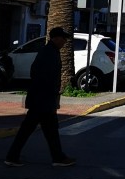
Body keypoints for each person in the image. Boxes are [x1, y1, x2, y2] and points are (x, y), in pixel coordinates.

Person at [5, 27, 75, 167]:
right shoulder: (49, 53)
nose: (64, 41)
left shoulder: (49, 51)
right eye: (63, 38)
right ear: (55, 38)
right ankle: (57, 157)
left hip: (41, 99)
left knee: (42, 130)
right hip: (43, 99)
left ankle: (13, 156)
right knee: (43, 130)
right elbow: (46, 77)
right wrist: (51, 97)